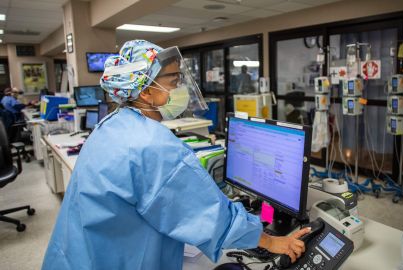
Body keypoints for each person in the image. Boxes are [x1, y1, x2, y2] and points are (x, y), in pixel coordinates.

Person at [42, 40, 309, 270]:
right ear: (145, 92)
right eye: (174, 80)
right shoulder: (152, 144)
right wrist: (271, 241)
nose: (181, 86)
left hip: (77, 256)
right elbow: (209, 215)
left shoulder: (110, 125)